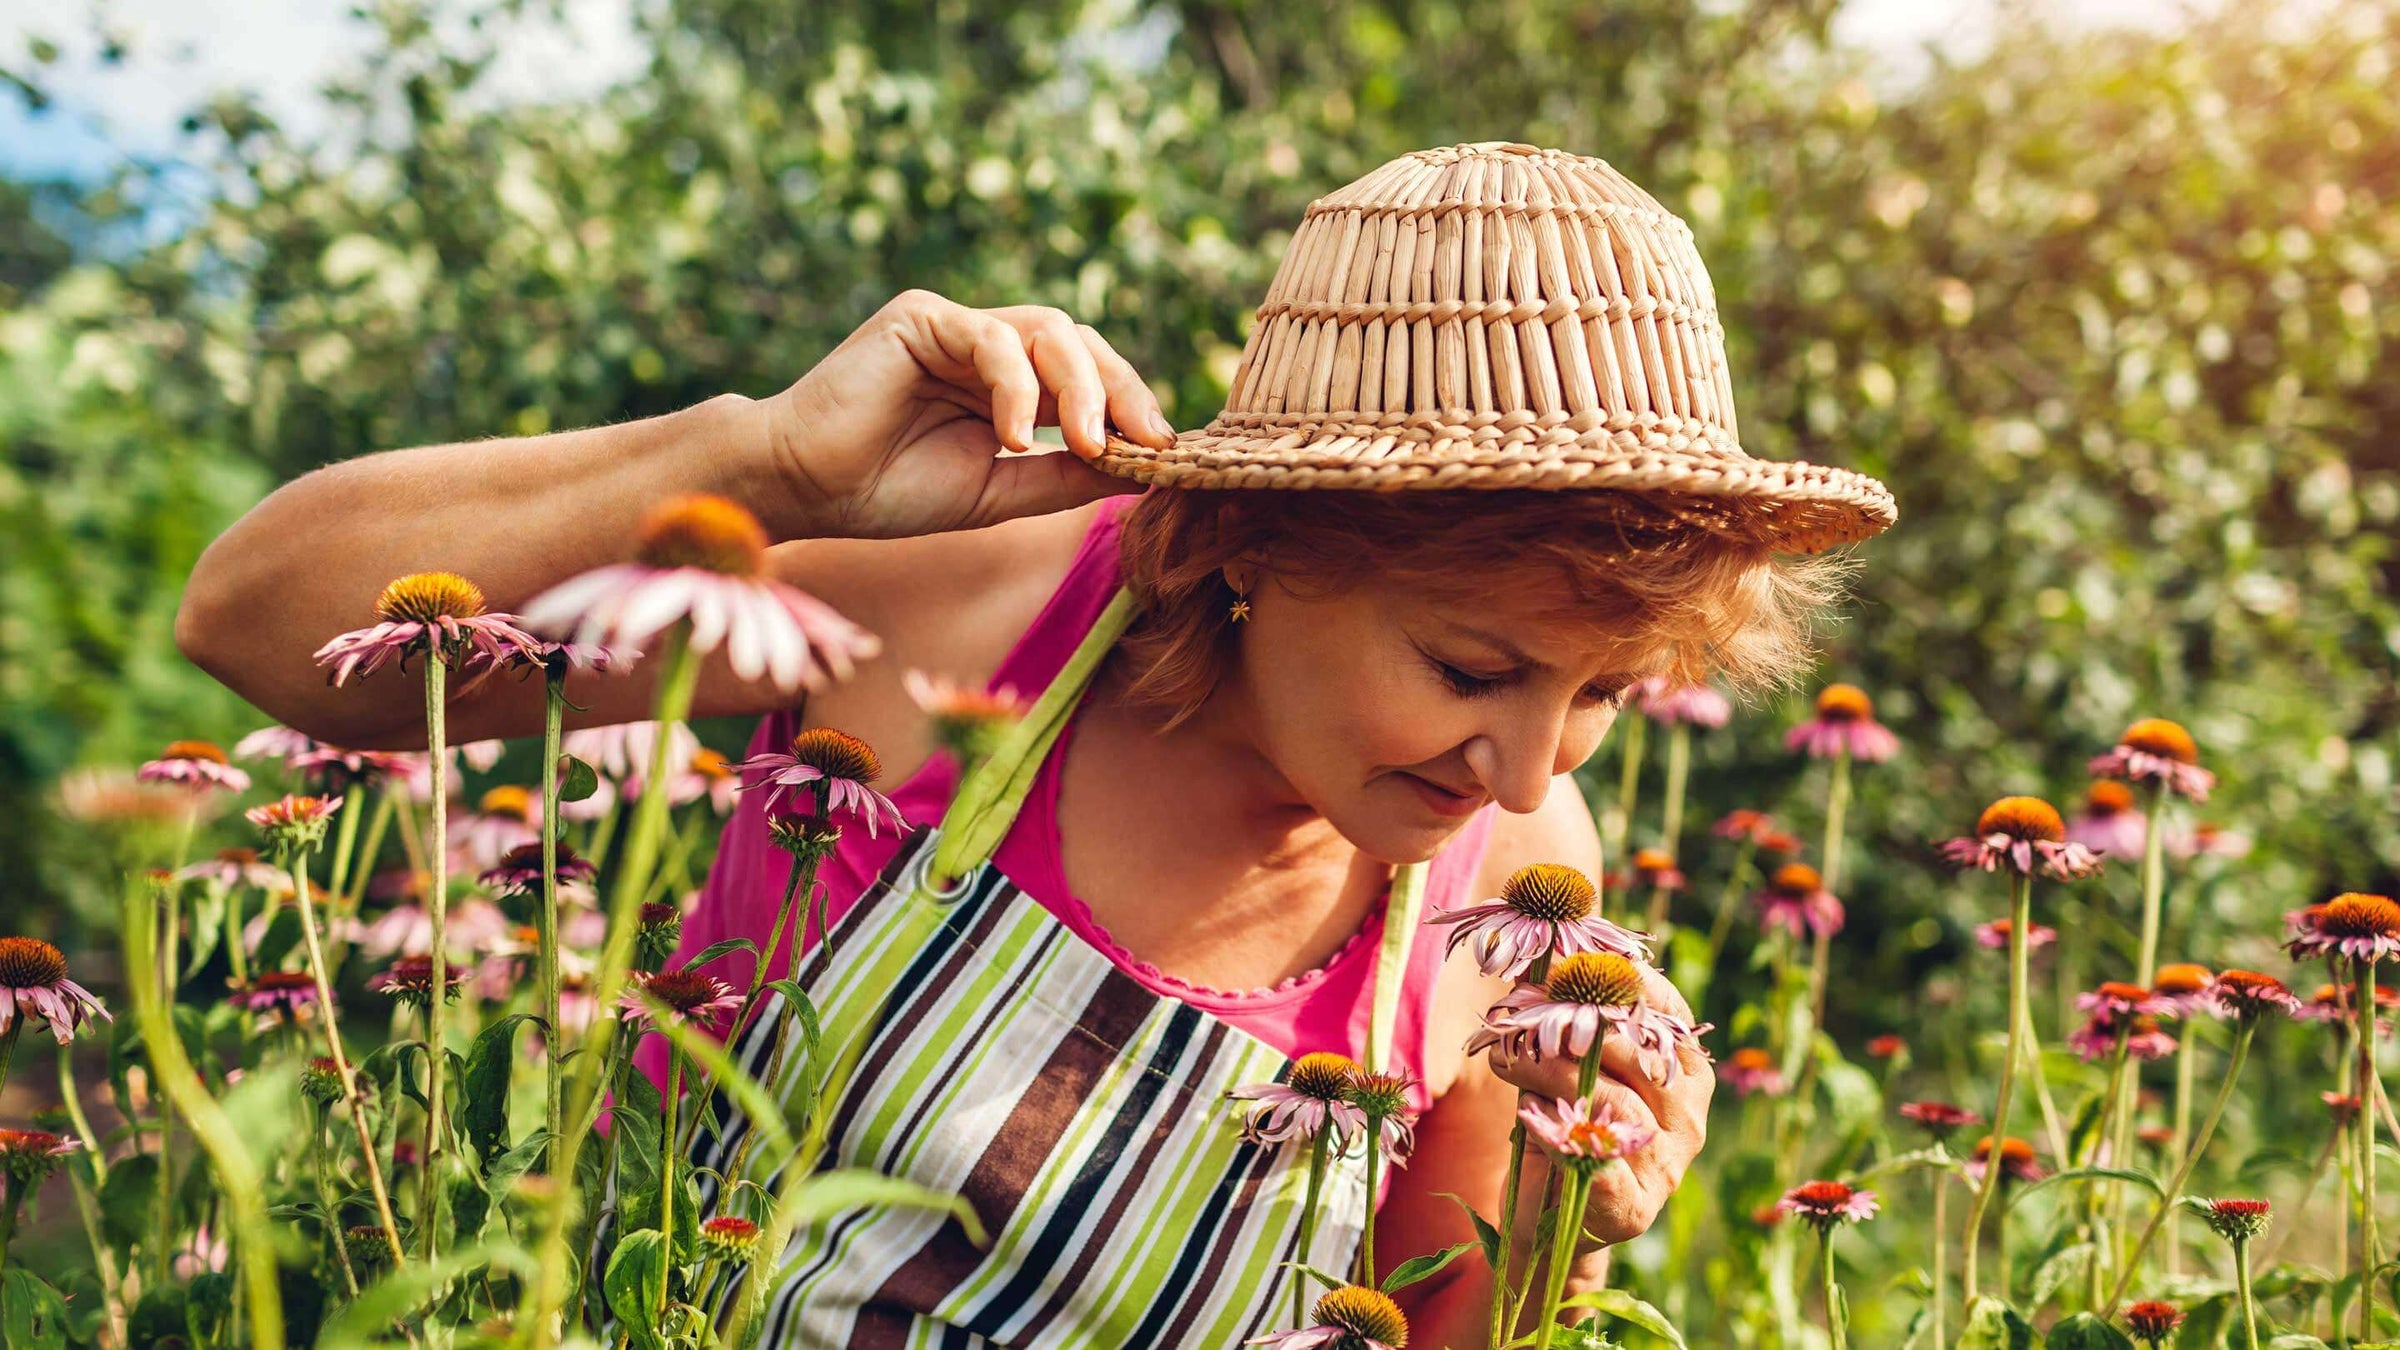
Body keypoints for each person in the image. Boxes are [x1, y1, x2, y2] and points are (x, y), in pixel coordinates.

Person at [178, 141, 1894, 1346]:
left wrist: (1559, 1232)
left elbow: (1398, 1332)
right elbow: (262, 624)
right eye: (1471, 668)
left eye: (1598, 696)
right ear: (1266, 542)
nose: (1525, 775)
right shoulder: (973, 604)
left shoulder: (1522, 879)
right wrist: (769, 460)